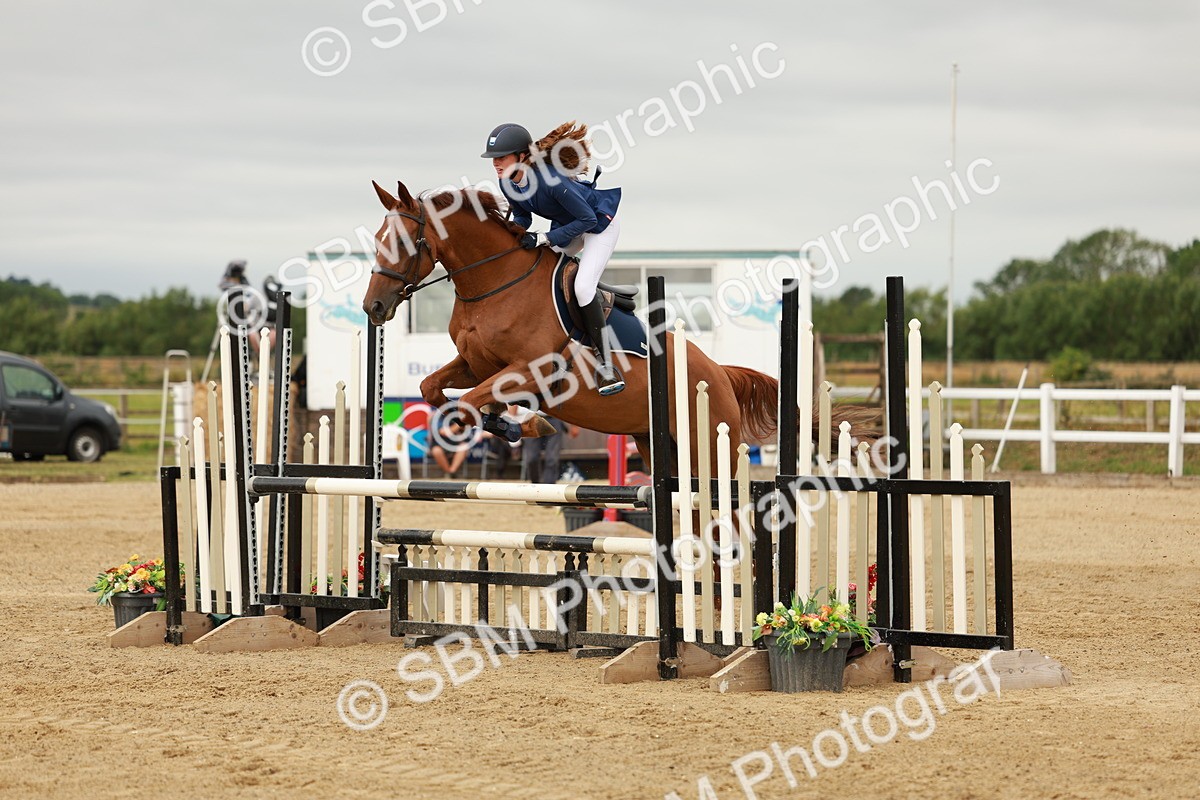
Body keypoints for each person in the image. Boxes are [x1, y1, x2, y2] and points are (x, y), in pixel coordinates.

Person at [481, 121, 625, 395]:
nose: (496, 164)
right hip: (566, 228)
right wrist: (512, 232)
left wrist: (544, 238)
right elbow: (523, 214)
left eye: (501, 157)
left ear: (522, 156)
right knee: (538, 273)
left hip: (599, 227)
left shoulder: (550, 181)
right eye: (494, 159)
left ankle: (605, 364)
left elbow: (587, 219)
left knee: (583, 286)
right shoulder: (506, 183)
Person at [218, 260, 274, 351]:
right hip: (239, 317)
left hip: (250, 319)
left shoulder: (246, 286)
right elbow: (222, 285)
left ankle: (258, 356)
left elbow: (248, 300)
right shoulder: (228, 282)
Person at [521, 416, 580, 485]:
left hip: (553, 418)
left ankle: (549, 485)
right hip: (532, 418)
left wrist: (575, 424)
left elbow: (569, 405)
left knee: (552, 458)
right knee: (531, 458)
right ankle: (535, 484)